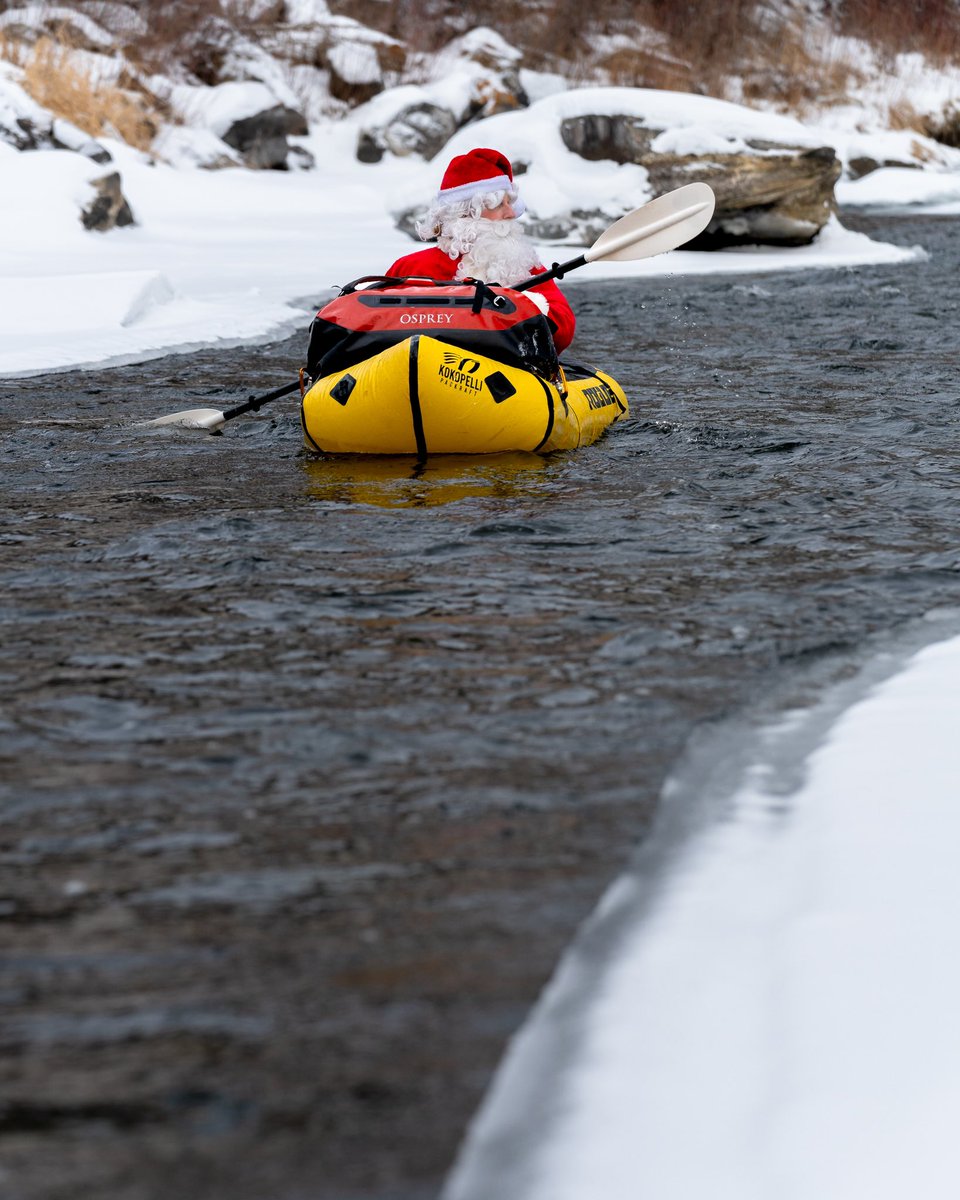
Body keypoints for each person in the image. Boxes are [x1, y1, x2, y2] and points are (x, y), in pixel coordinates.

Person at [386, 147, 576, 353]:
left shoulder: (523, 265)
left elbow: (563, 329)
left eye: (509, 203)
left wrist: (523, 306)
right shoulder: (411, 267)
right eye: (499, 205)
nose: (511, 213)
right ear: (466, 212)